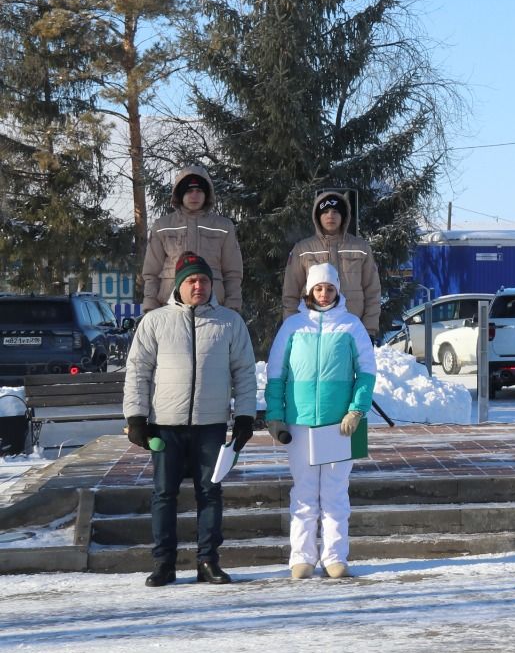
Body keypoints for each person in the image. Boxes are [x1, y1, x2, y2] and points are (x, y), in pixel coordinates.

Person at [122, 252, 257, 586]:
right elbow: (138, 371)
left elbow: (244, 373)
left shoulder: (229, 322)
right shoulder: (155, 321)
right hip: (165, 424)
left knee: (210, 493)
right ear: (179, 286)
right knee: (163, 494)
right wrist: (136, 417)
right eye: (192, 281)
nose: (198, 286)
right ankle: (164, 564)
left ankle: (208, 561)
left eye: (204, 280)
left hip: (210, 424)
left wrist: (244, 416)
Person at [263, 262, 375, 579]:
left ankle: (335, 556)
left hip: (340, 424)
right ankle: (302, 557)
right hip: (300, 422)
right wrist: (275, 414)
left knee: (336, 493)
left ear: (338, 290)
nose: (324, 294)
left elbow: (366, 371)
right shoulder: (293, 326)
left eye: (329, 288)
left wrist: (357, 410)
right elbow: (275, 373)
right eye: (318, 288)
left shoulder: (351, 326)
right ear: (309, 291)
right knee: (304, 492)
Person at [142, 165, 244, 312]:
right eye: (189, 191)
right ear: (180, 194)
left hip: (214, 307)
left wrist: (233, 306)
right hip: (170, 308)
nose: (194, 196)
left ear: (207, 194)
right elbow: (151, 272)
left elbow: (233, 272)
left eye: (199, 191)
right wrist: (150, 305)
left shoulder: (224, 226)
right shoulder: (162, 226)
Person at [281, 190, 382, 339]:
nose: (330, 215)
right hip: (310, 332)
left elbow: (373, 292)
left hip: (353, 331)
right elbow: (290, 294)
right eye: (325, 211)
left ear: (343, 216)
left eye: (335, 211)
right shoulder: (302, 249)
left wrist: (369, 330)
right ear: (317, 216)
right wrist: (292, 329)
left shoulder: (361, 248)